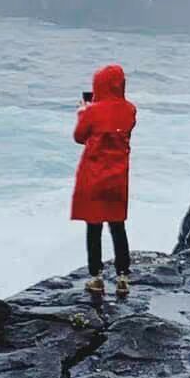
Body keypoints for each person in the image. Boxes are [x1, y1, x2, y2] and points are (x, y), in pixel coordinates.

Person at [71, 64, 137, 296]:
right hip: (118, 176)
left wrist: (83, 112)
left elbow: (79, 137)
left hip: (93, 174)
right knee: (118, 226)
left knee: (94, 226)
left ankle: (97, 277)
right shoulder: (130, 110)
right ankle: (122, 277)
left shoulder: (92, 111)